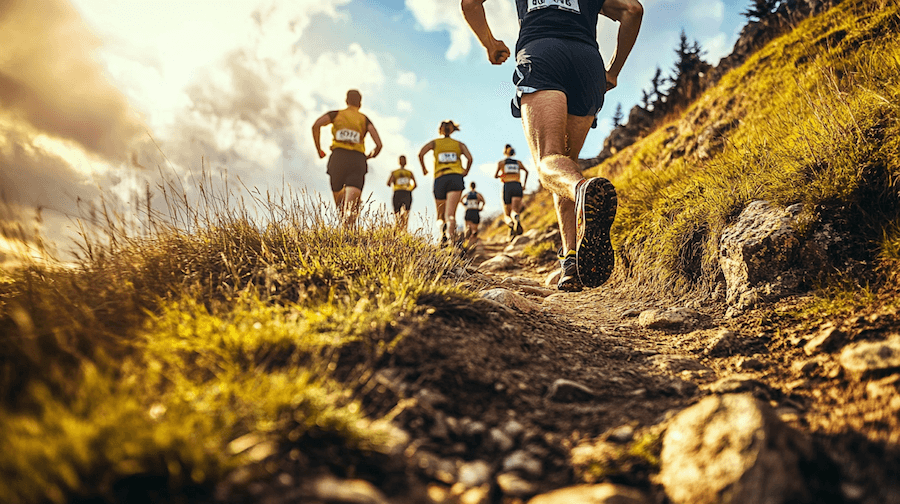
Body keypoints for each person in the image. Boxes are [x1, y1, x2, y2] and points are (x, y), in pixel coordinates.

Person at [461, 0, 643, 291]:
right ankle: (571, 261)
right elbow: (633, 10)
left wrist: (490, 42)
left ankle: (583, 190)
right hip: (588, 63)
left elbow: (470, 3)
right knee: (565, 167)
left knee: (549, 162)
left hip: (542, 53)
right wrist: (613, 70)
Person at [311, 89, 383, 226]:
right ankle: (349, 232)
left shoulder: (336, 114)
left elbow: (316, 125)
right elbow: (379, 144)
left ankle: (345, 232)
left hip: (338, 159)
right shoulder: (364, 119)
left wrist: (319, 149)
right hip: (357, 160)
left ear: (346, 101)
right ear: (360, 104)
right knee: (351, 208)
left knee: (341, 208)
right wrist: (371, 155)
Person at [418, 120, 473, 246]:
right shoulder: (459, 144)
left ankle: (442, 231)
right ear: (452, 130)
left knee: (440, 216)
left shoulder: (435, 143)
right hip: (455, 178)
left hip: (440, 179)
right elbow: (470, 158)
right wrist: (466, 171)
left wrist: (424, 169)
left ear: (440, 129)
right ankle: (450, 239)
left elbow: (420, 153)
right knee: (450, 215)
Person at [494, 144, 529, 239]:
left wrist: (502, 176)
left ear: (504, 152)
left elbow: (495, 175)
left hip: (507, 186)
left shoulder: (501, 163)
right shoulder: (518, 162)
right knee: (514, 210)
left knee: (507, 214)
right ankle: (516, 217)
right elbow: (526, 171)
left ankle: (510, 224)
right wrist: (524, 185)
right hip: (517, 185)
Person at [386, 155, 417, 230]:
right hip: (406, 193)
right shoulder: (409, 173)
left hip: (398, 192)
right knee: (405, 214)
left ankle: (399, 229)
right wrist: (409, 189)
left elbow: (388, 183)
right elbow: (415, 184)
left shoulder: (395, 172)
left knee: (398, 213)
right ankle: (403, 229)